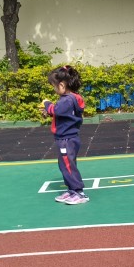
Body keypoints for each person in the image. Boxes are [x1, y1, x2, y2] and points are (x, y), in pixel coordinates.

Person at [42, 64, 88, 205]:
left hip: (66, 139)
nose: (54, 89)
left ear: (62, 85)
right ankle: (71, 190)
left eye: (54, 86)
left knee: (68, 165)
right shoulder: (73, 98)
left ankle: (79, 192)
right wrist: (50, 112)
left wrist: (46, 104)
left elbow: (55, 109)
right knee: (65, 164)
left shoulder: (67, 99)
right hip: (68, 138)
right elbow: (62, 113)